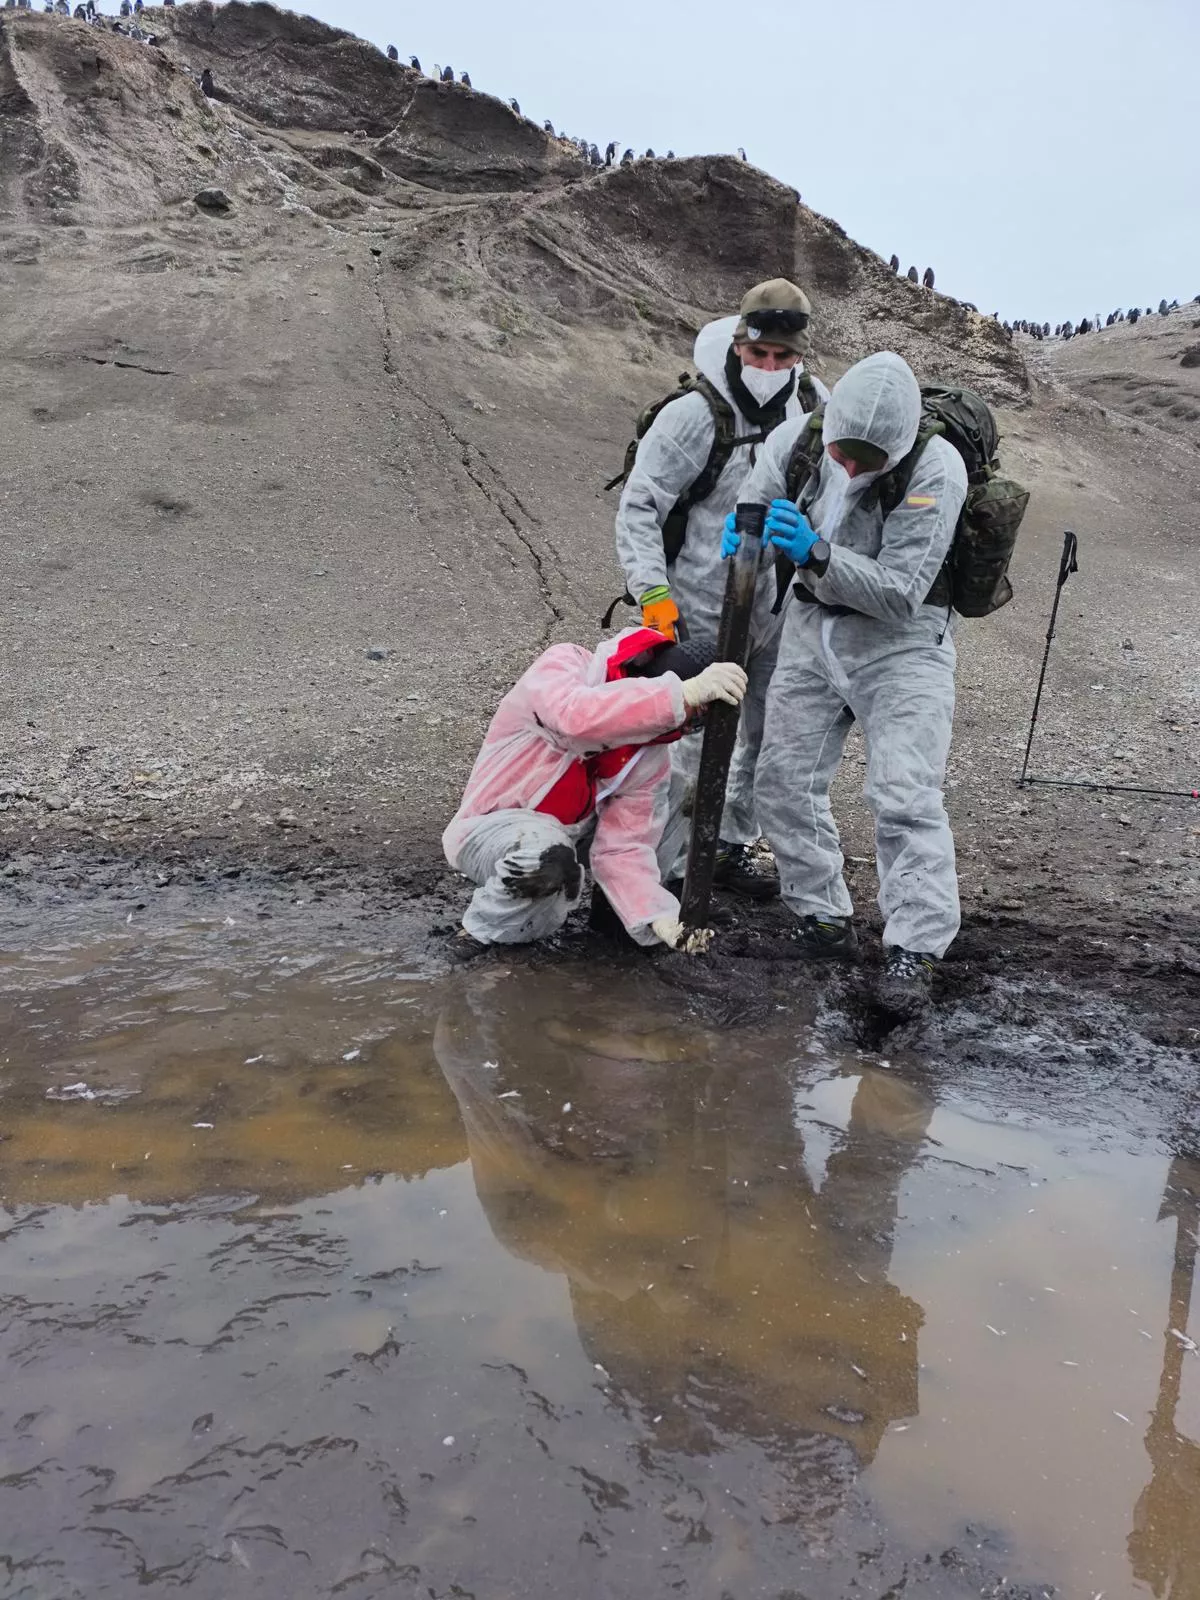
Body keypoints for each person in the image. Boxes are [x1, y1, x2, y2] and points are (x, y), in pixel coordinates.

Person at [724, 352, 968, 1017]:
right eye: (845, 453)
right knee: (781, 778)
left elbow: (900, 593)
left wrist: (817, 553)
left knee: (902, 793)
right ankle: (821, 918)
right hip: (810, 631)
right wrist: (746, 526)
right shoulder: (798, 438)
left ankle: (914, 949)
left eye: (870, 460)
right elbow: (760, 493)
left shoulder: (936, 470)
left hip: (902, 648)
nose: (854, 469)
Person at [614, 279, 829, 900]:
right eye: (757, 354)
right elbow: (640, 507)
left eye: (782, 358)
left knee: (766, 733)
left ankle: (729, 844)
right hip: (699, 605)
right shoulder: (693, 416)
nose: (768, 368)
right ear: (738, 345)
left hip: (782, 603)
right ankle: (661, 874)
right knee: (683, 742)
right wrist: (654, 597)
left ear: (798, 356)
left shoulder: (816, 412)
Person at [443, 628, 747, 949]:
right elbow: (572, 719)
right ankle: (476, 936)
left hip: (567, 833)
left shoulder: (647, 756)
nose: (687, 725)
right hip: (490, 829)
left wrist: (660, 918)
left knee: (677, 790)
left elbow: (624, 849)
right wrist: (680, 695)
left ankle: (620, 925)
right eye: (692, 715)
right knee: (549, 859)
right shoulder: (567, 664)